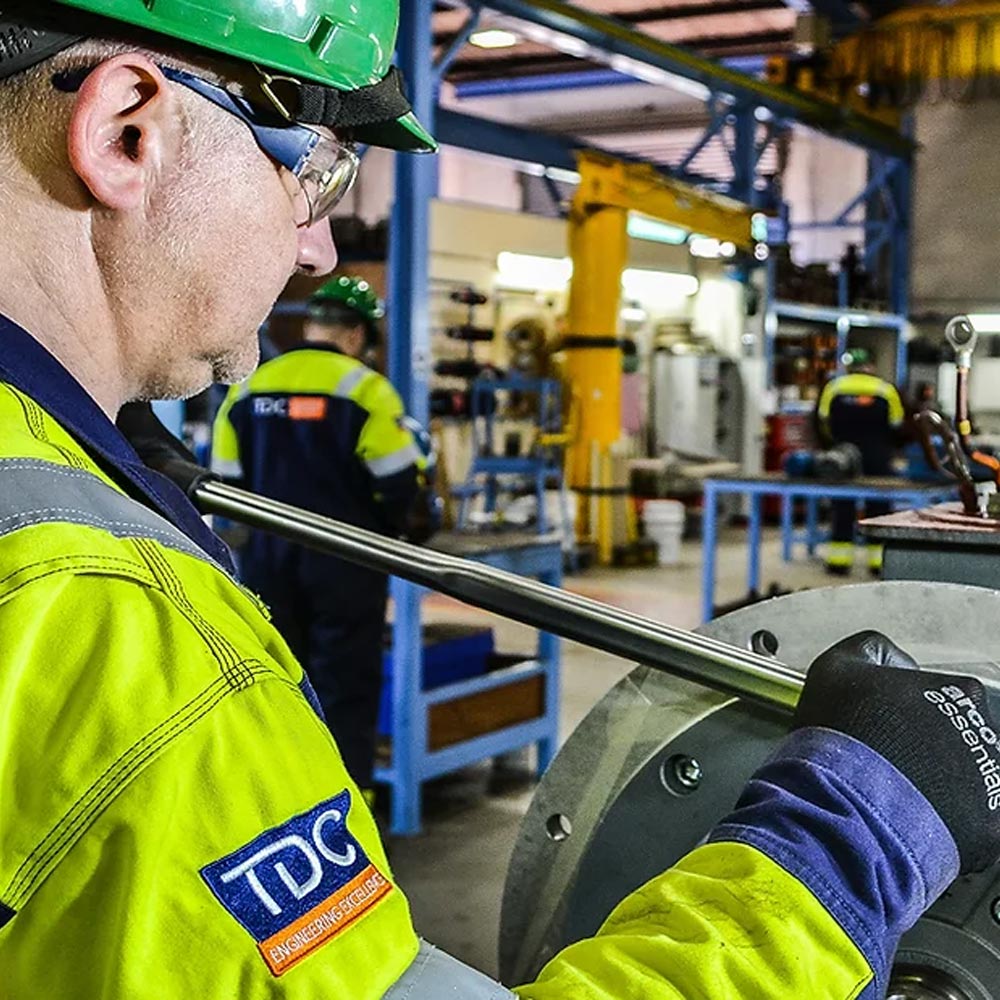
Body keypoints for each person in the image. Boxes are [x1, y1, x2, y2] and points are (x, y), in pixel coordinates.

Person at [0, 1, 997, 996]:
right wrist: (852, 840)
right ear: (127, 131)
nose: (317, 248)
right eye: (317, 173)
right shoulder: (118, 629)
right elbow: (403, 485)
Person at [211, 276, 436, 793]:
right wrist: (393, 527)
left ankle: (280, 799)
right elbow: (399, 483)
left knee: (276, 681)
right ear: (356, 335)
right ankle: (348, 808)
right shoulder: (366, 390)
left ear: (312, 326)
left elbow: (224, 482)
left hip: (266, 562)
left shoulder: (249, 388)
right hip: (347, 561)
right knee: (345, 687)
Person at [818, 347, 905, 574]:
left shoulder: (834, 388)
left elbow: (822, 420)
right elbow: (897, 423)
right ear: (871, 366)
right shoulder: (885, 390)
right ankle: (878, 564)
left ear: (848, 366)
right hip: (877, 456)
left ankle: (839, 563)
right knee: (879, 509)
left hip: (843, 457)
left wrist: (834, 444)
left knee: (842, 507)